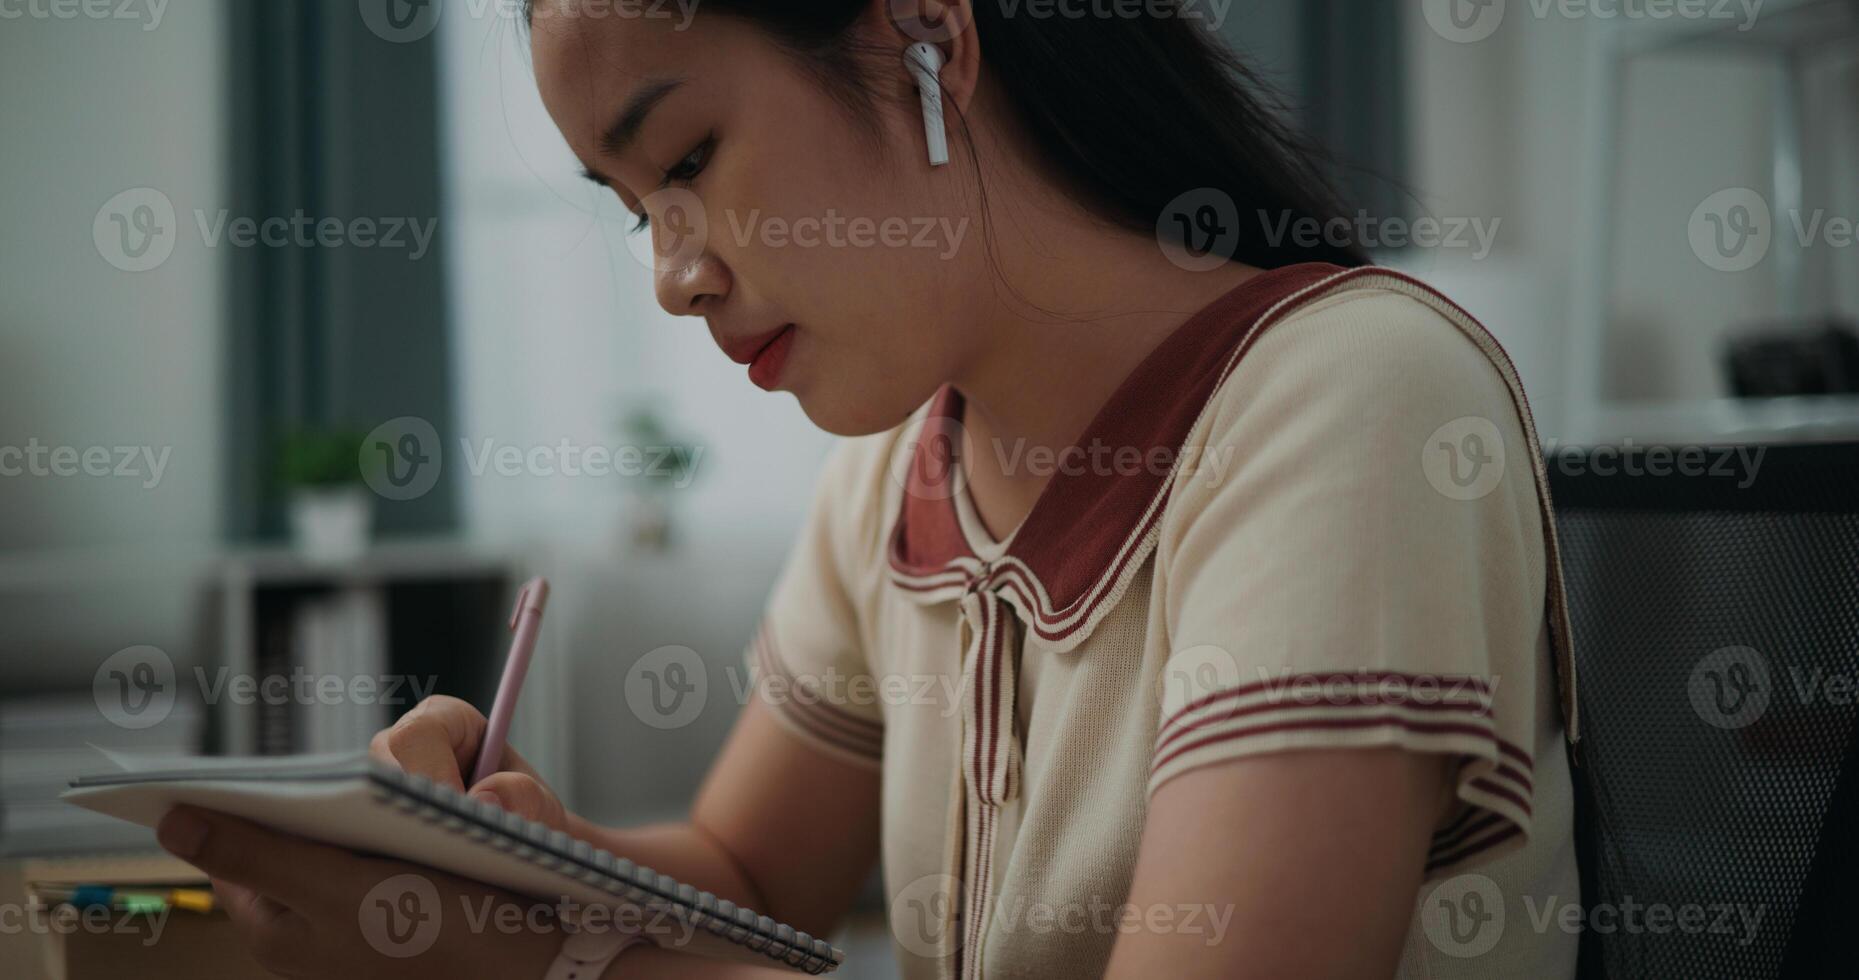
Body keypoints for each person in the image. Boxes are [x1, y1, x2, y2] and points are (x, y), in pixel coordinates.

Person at [157, 2, 1580, 977]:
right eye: (634, 205)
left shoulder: (1348, 402)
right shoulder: (897, 479)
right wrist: (517, 863)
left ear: (923, 38)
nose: (673, 273)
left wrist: (563, 960)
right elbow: (752, 877)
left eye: (691, 160)